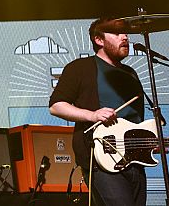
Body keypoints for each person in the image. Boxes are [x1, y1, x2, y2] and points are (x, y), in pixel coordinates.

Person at [49, 17, 146, 205]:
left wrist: (147, 142)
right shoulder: (80, 68)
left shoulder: (130, 74)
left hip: (134, 161)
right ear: (98, 40)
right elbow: (56, 105)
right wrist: (92, 115)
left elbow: (134, 119)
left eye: (125, 33)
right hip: (102, 160)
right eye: (117, 33)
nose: (125, 37)